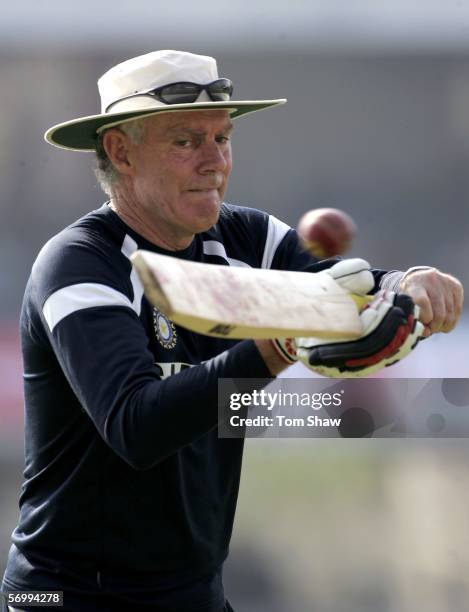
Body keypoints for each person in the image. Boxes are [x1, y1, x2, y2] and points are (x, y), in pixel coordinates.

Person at [1, 50, 463, 612]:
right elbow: (135, 427)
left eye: (221, 138)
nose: (214, 161)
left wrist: (408, 289)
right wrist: (278, 346)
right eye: (185, 141)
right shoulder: (78, 262)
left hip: (194, 595)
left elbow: (343, 289)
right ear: (121, 151)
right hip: (69, 597)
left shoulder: (247, 237)